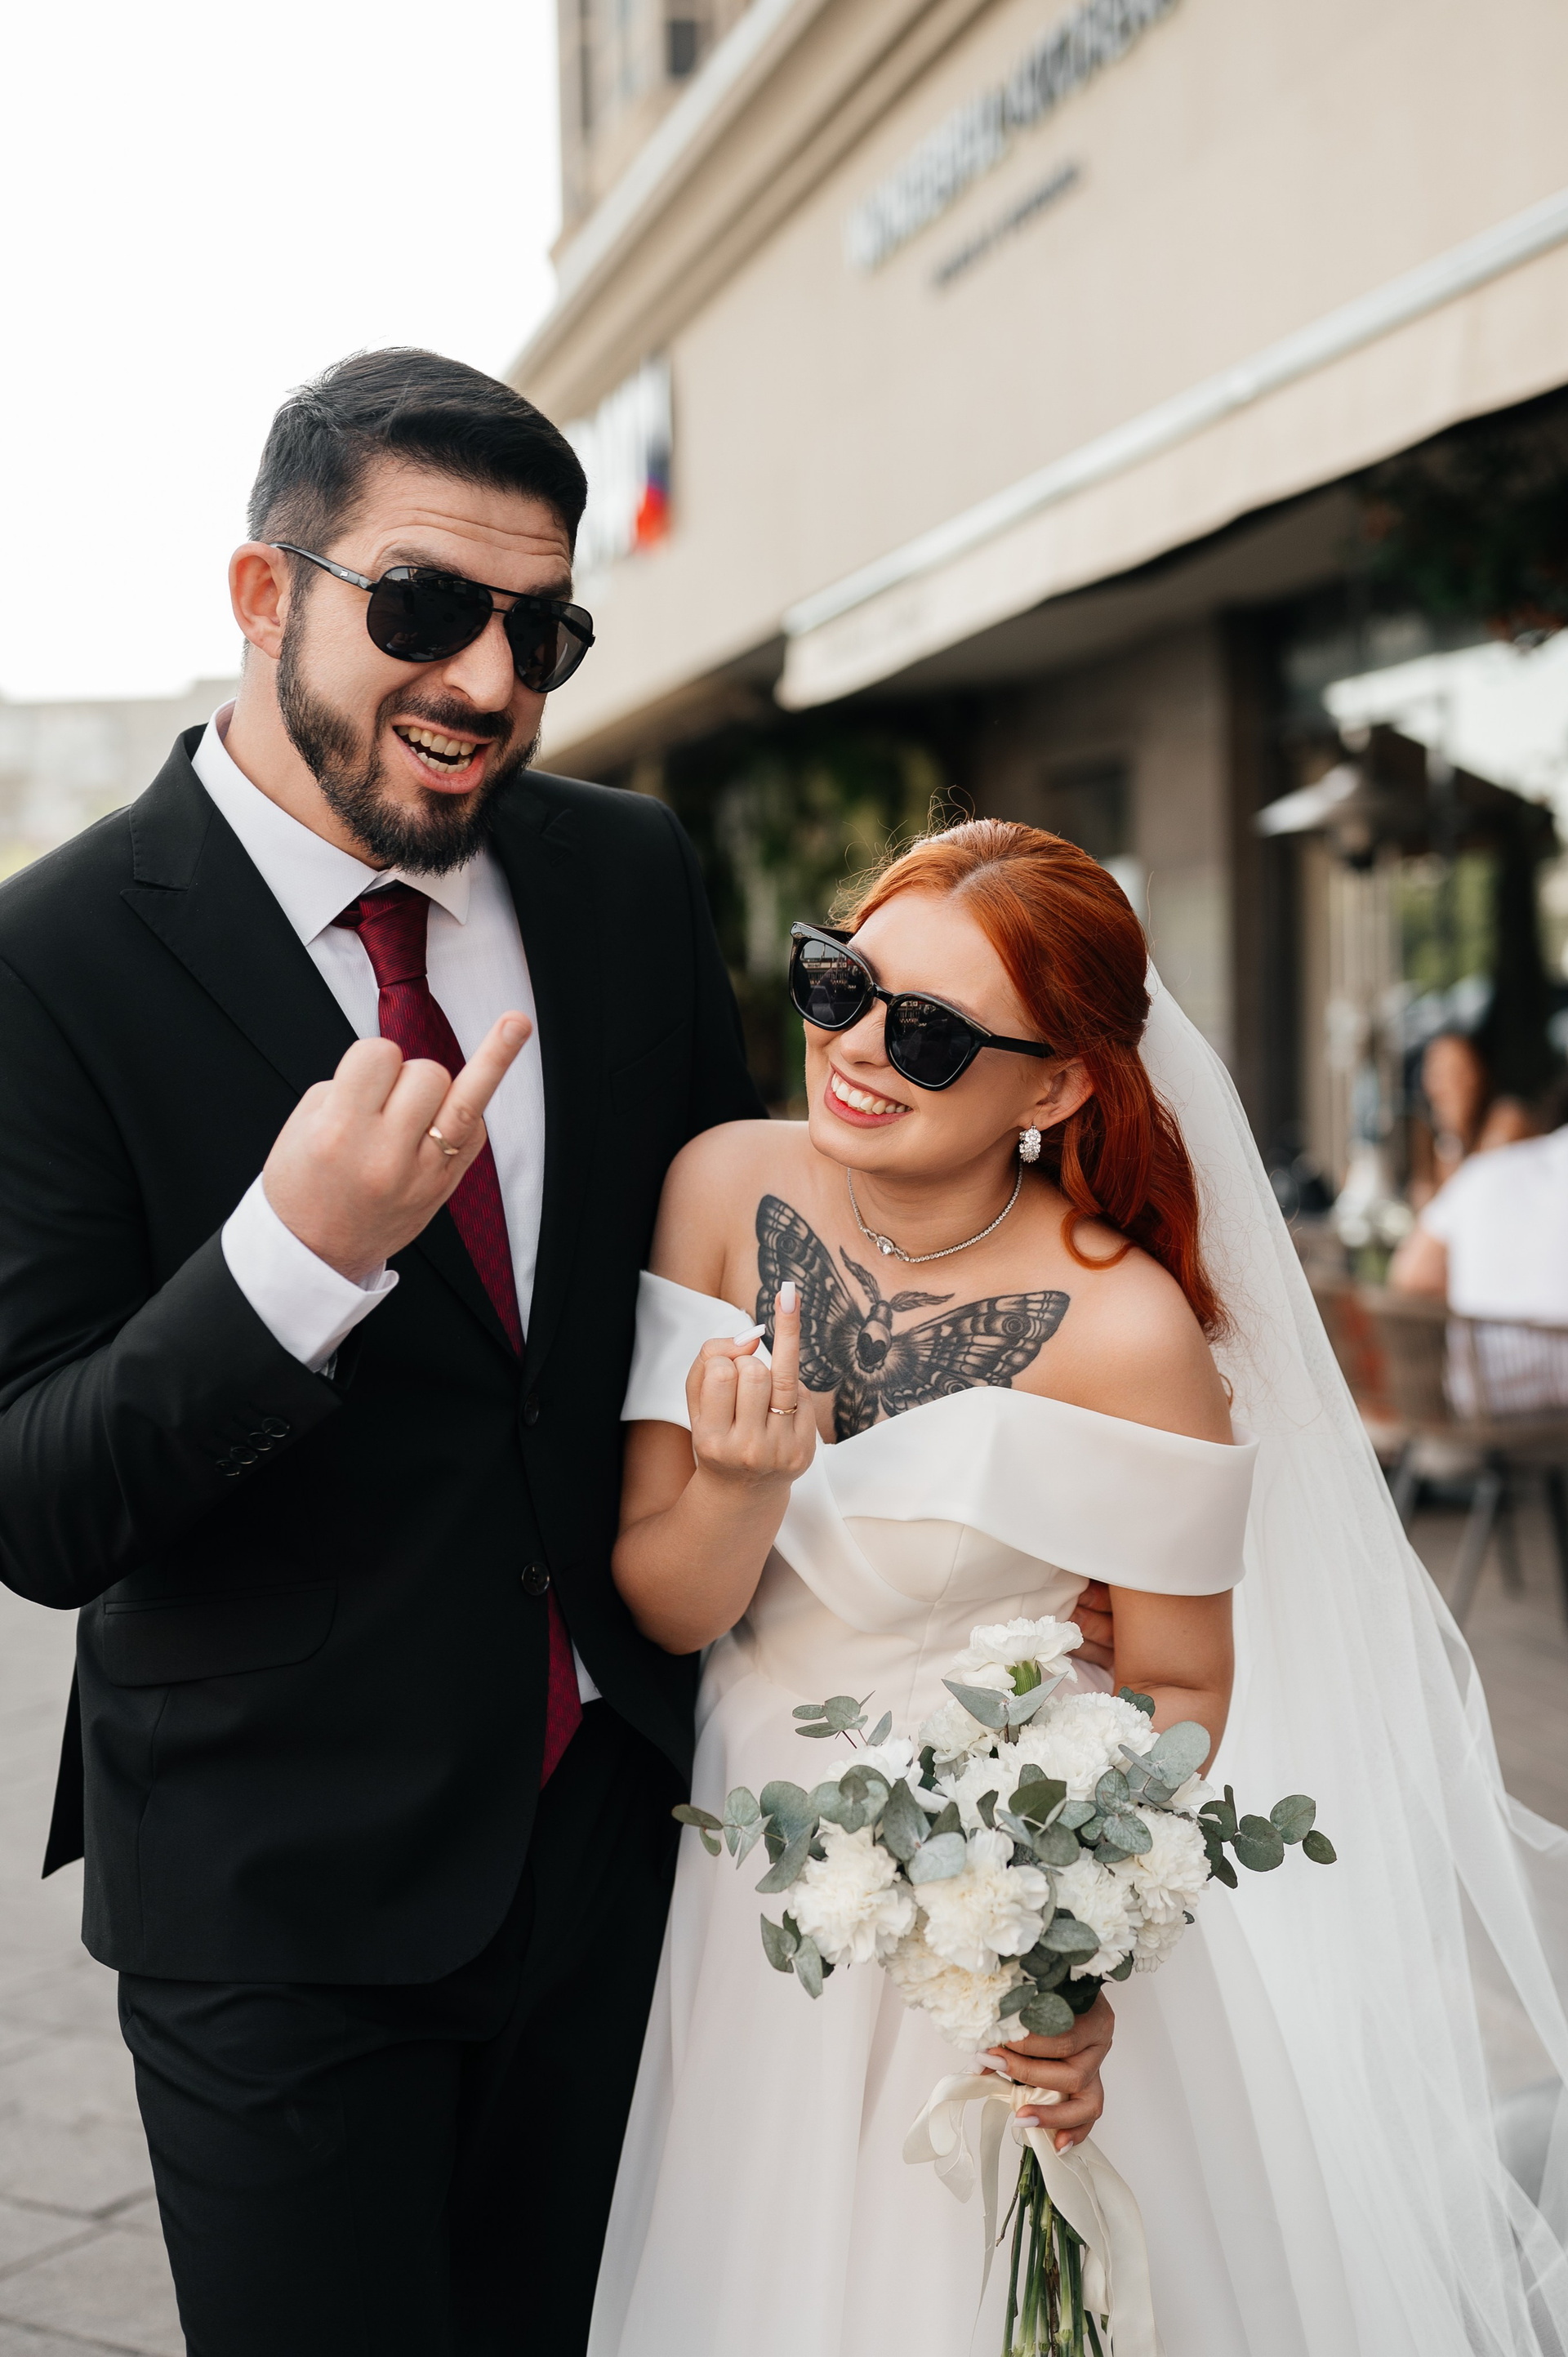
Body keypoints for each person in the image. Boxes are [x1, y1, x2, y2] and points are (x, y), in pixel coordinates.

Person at [0, 348, 772, 2356]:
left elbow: (739, 1270)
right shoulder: (47, 964)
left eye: (544, 631)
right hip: (274, 1891)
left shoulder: (624, 876)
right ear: (266, 595)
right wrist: (294, 1260)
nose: (490, 681)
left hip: (620, 1832)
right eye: (426, 607)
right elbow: (38, 1498)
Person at [588, 820, 1568, 2357]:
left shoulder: (1131, 1331)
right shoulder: (720, 1184)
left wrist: (1062, 1951)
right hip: (739, 1874)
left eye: (929, 1033)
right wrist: (737, 1485)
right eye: (840, 984)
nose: (859, 1047)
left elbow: (1179, 1684)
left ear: (1053, 1088)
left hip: (992, 1913)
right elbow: (668, 1600)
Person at [1409, 1027, 1533, 1210]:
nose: (1446, 1085)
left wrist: (1452, 1137)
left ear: (1479, 1073)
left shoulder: (1508, 1120)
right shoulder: (1442, 1139)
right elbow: (1427, 1202)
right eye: (1436, 1074)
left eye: (1458, 1073)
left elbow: (1477, 1201)